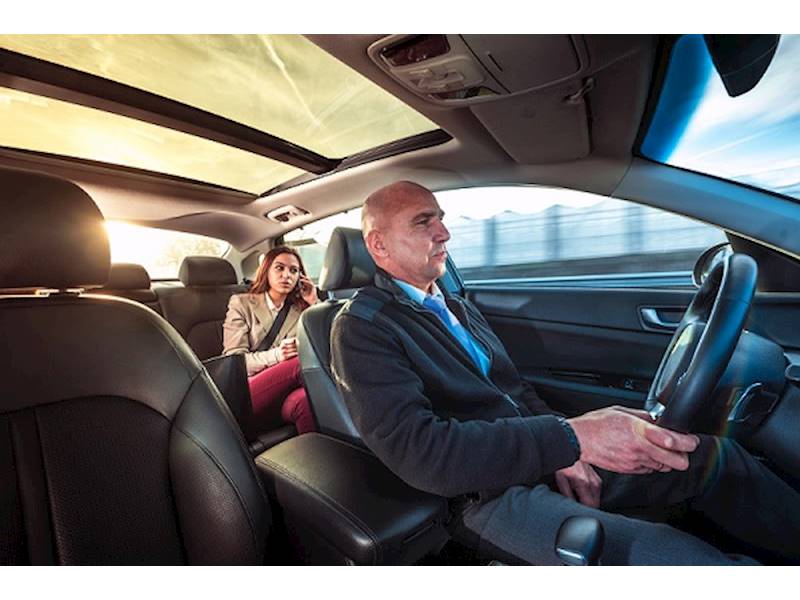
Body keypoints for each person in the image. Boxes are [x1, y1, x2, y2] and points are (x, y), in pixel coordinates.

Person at [330, 180, 800, 565]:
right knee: (679, 562)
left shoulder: (454, 305)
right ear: (378, 245)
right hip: (481, 495)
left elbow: (516, 391)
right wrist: (568, 440)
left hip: (537, 455)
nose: (444, 233)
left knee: (712, 458)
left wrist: (563, 445)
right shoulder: (363, 328)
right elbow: (423, 454)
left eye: (441, 218)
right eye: (423, 221)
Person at [223, 245, 318, 434]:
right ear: (266, 270)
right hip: (246, 393)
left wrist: (314, 302)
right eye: (279, 268)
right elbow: (235, 363)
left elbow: (323, 343)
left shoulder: (301, 309)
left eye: (294, 271)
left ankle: (319, 451)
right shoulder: (242, 303)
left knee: (303, 400)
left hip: (283, 391)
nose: (286, 275)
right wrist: (277, 356)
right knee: (300, 363)